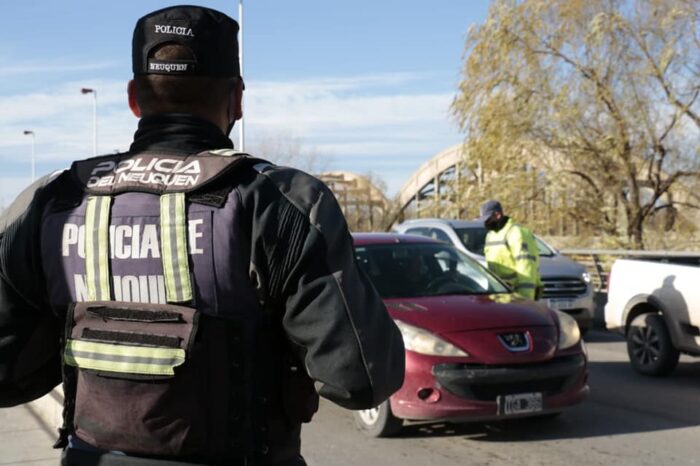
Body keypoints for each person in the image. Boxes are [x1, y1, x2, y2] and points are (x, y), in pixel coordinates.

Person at [0, 6, 405, 466]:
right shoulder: (282, 201)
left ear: (134, 98)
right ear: (237, 100)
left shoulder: (52, 201)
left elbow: (7, 372)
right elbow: (362, 378)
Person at [478, 200, 542, 300]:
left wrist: (526, 299)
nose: (485, 223)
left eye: (488, 220)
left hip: (517, 295)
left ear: (497, 215)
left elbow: (526, 267)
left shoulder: (516, 233)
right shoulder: (491, 235)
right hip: (500, 294)